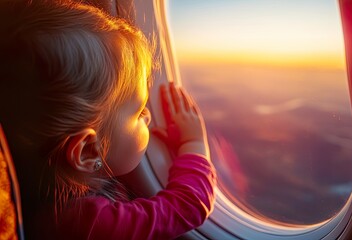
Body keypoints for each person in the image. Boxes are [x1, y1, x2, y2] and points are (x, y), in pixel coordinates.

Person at [0, 0, 216, 239]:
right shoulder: (92, 225)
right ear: (87, 152)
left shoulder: (40, 195)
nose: (148, 116)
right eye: (138, 111)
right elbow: (188, 206)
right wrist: (194, 144)